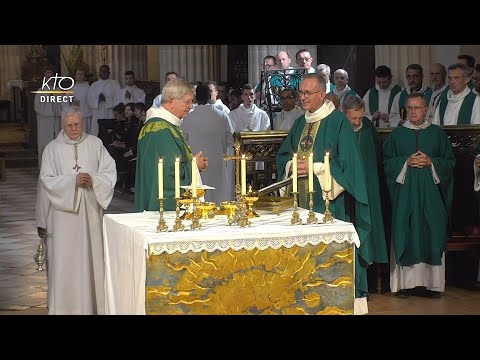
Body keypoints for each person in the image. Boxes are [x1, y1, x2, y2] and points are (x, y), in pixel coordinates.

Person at [276, 74, 372, 314]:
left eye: (308, 93)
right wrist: (291, 165)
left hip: (329, 203)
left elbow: (350, 168)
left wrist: (316, 168)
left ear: (322, 94)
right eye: (301, 93)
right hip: (300, 204)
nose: (303, 97)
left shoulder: (338, 122)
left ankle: (335, 301)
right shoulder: (299, 123)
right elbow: (284, 155)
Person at [36, 105, 117, 314]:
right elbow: (46, 181)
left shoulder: (95, 144)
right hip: (63, 218)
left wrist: (94, 179)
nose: (74, 129)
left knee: (91, 259)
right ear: (63, 125)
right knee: (64, 263)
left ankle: (93, 306)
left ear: (83, 123)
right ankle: (64, 308)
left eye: (77, 125)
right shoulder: (52, 149)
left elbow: (109, 172)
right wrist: (72, 181)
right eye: (69, 125)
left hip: (89, 212)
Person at [383, 92, 455, 299]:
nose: (413, 112)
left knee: (431, 231)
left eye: (417, 108)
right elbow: (386, 163)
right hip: (405, 196)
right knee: (405, 230)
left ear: (426, 110)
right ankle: (405, 285)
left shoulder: (437, 134)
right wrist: (405, 162)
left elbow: (450, 163)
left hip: (431, 196)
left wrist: (432, 163)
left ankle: (432, 285)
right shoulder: (397, 135)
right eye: (410, 108)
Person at [134, 79, 208, 212]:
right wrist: (194, 165)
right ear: (172, 101)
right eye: (187, 102)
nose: (191, 106)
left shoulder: (166, 126)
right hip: (162, 209)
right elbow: (168, 174)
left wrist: (192, 162)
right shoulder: (160, 130)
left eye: (192, 101)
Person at [343, 96, 388, 266]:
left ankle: (369, 263)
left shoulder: (368, 128)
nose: (357, 122)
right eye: (353, 118)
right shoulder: (340, 128)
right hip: (346, 188)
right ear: (344, 114)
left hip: (368, 185)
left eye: (360, 117)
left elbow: (376, 156)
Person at [182, 84, 235, 204]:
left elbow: (183, 142)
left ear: (195, 97)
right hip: (217, 161)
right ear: (210, 96)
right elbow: (231, 140)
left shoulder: (188, 118)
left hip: (198, 163)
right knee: (219, 197)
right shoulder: (222, 116)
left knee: (200, 197)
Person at [34, 67, 62, 166]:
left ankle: (58, 166)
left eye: (51, 78)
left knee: (57, 143)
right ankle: (44, 166)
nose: (49, 80)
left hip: (56, 120)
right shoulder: (40, 91)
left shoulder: (58, 90)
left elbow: (62, 105)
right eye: (47, 78)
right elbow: (37, 107)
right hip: (45, 121)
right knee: (45, 143)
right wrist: (48, 106)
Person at [87, 65, 121, 136]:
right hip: (98, 113)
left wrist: (106, 99)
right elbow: (89, 101)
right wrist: (98, 100)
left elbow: (119, 99)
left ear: (109, 73)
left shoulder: (115, 84)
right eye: (102, 71)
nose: (103, 73)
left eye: (105, 71)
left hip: (110, 113)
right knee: (97, 134)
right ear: (99, 73)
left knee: (109, 135)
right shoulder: (94, 85)